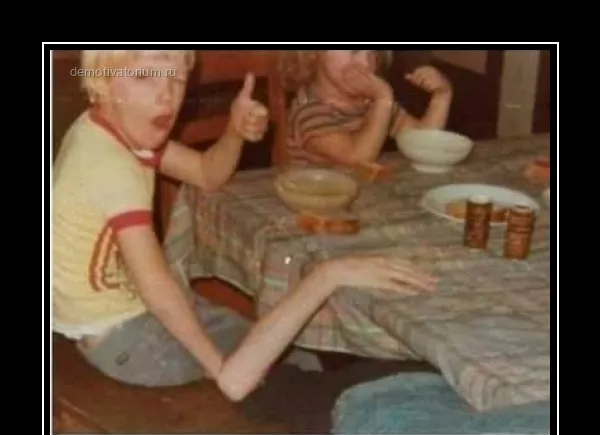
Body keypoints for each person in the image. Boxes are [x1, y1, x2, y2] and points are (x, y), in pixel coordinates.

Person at [52, 49, 438, 403]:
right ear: (102, 85)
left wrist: (234, 131)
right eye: (145, 78)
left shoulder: (116, 130)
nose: (166, 97)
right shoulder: (110, 167)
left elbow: (207, 173)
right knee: (284, 362)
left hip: (122, 314)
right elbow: (157, 287)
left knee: (276, 342)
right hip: (123, 341)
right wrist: (219, 366)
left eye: (176, 80)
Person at [280, 50, 454, 168]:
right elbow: (357, 158)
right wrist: (383, 100)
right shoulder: (308, 111)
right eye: (354, 50)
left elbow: (425, 144)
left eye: (372, 51)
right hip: (314, 205)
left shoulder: (371, 103)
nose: (365, 63)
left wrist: (441, 96)